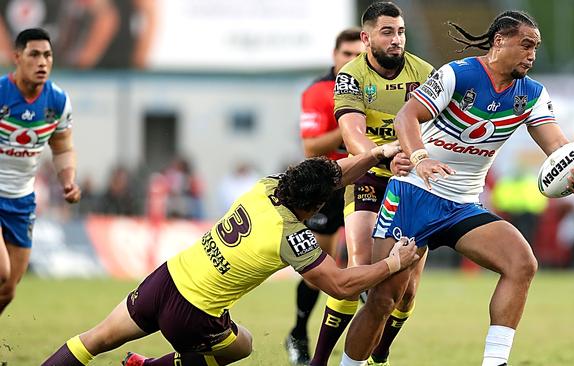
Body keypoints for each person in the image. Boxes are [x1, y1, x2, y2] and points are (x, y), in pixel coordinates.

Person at [340, 10, 574, 366]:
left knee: (521, 263)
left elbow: (559, 148)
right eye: (526, 45)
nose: (532, 55)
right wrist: (420, 159)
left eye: (536, 48)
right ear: (499, 42)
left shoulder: (532, 94)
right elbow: (407, 116)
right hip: (414, 194)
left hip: (463, 205)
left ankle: (495, 363)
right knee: (385, 299)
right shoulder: (458, 74)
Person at [41, 144, 422, 366]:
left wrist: (375, 154)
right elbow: (340, 285)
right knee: (244, 345)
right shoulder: (291, 235)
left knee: (96, 338)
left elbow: (330, 174)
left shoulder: (265, 186)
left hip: (166, 278)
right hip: (193, 315)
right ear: (314, 204)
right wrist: (393, 263)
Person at [310, 3, 435, 366]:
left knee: (407, 292)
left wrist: (412, 157)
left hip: (413, 180)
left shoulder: (425, 73)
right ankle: (319, 360)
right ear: (366, 38)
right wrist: (385, 155)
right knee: (360, 268)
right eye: (387, 32)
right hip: (370, 173)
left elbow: (435, 131)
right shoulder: (350, 76)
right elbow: (353, 136)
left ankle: (380, 354)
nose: (397, 40)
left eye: (401, 32)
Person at [285, 27, 364, 366]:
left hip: (370, 180)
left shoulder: (376, 84)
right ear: (335, 56)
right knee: (319, 269)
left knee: (366, 262)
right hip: (329, 182)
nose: (352, 61)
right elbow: (311, 146)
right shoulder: (318, 91)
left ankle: (367, 345)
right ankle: (299, 332)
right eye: (347, 54)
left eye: (358, 55)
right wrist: (351, 126)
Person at [0, 28, 81, 316]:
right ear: (17, 57)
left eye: (47, 55)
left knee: (9, 288)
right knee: (1, 270)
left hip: (22, 200)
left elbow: (62, 148)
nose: (42, 62)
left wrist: (68, 180)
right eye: (34, 54)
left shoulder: (57, 101)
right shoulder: (1, 94)